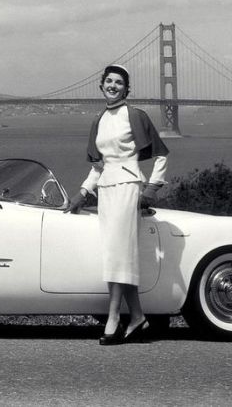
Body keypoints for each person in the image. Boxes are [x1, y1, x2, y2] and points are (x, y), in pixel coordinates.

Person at [65, 64, 169, 345]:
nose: (113, 86)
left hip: (127, 186)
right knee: (116, 253)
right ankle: (137, 317)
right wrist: (82, 193)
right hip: (107, 191)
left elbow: (161, 155)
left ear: (126, 88)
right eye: (108, 81)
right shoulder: (99, 120)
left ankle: (112, 317)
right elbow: (99, 166)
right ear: (101, 86)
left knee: (117, 254)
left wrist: (151, 188)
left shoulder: (135, 115)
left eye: (119, 82)